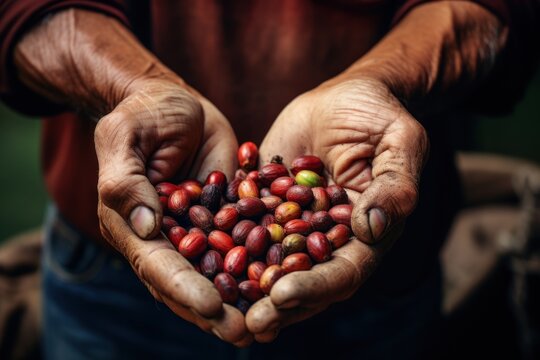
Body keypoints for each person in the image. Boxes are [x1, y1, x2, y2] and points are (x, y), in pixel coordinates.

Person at [0, 0, 538, 359]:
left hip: (383, 279)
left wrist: (381, 82)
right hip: (113, 282)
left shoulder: (274, 214)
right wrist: (132, 89)